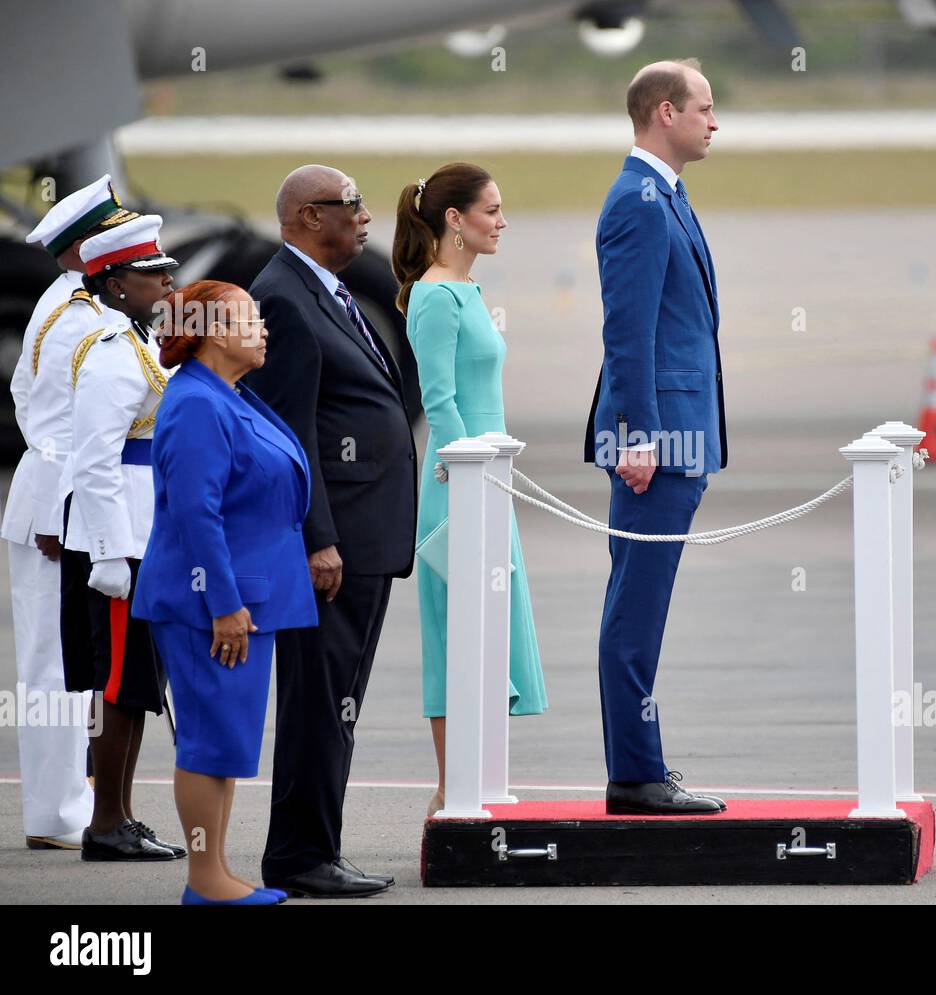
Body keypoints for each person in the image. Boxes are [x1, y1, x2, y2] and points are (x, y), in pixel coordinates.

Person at [243, 164, 416, 898]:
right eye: (352, 206)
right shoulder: (283, 298)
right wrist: (317, 537)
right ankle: (300, 856)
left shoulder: (322, 290)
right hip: (334, 545)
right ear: (310, 217)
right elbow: (291, 433)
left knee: (337, 702)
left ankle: (318, 848)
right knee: (320, 704)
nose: (366, 217)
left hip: (362, 538)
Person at [134, 280, 316, 905]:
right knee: (210, 743)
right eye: (249, 320)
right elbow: (195, 514)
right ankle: (205, 880)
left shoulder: (226, 395)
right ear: (213, 332)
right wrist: (223, 604)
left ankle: (218, 874)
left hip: (243, 601)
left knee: (227, 741)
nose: (263, 329)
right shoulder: (195, 404)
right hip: (208, 606)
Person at [582, 59, 730, 815]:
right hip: (657, 442)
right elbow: (627, 332)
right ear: (664, 112)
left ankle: (640, 767)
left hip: (679, 436)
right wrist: (638, 435)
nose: (716, 120)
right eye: (706, 107)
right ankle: (636, 775)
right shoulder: (640, 202)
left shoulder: (664, 194)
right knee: (635, 611)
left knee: (642, 605)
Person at [391, 163, 548, 817]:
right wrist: (471, 484)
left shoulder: (467, 291)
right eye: (491, 210)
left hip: (489, 480)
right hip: (462, 484)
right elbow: (440, 402)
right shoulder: (434, 296)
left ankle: (479, 782)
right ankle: (451, 789)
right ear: (454, 220)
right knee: (458, 636)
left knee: (491, 630)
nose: (502, 221)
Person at [3, 174, 137, 850]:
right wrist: (59, 511)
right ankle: (57, 814)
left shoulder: (67, 303)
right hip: (54, 509)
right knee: (55, 665)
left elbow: (24, 397)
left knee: (60, 660)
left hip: (50, 498)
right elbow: (58, 423)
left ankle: (64, 804)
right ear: (88, 246)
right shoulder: (79, 315)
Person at [59, 214, 185, 860]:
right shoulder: (113, 355)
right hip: (118, 546)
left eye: (165, 269)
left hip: (138, 537)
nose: (166, 281)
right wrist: (108, 554)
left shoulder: (132, 341)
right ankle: (106, 819)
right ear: (112, 284)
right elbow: (96, 461)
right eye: (149, 273)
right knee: (116, 687)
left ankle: (123, 814)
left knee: (135, 686)